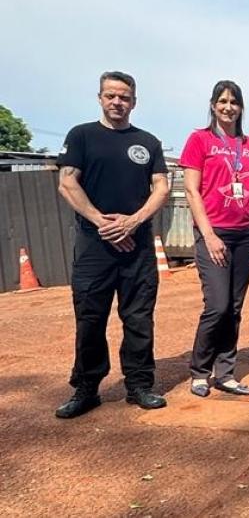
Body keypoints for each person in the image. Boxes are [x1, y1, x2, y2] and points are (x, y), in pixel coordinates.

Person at [55, 71, 169, 418]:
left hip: (137, 246)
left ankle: (139, 385)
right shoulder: (82, 136)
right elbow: (67, 182)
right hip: (94, 247)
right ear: (100, 98)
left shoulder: (148, 142)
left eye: (124, 97)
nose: (117, 102)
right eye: (111, 96)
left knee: (138, 318)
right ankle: (86, 388)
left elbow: (161, 187)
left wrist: (133, 222)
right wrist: (101, 221)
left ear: (134, 101)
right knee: (90, 318)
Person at [180, 80, 249, 398]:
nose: (228, 107)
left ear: (241, 107)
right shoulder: (199, 140)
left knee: (233, 306)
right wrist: (209, 236)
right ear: (213, 105)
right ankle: (200, 371)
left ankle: (225, 373)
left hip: (246, 233)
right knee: (216, 306)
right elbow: (192, 190)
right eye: (223, 101)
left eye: (234, 101)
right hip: (214, 232)